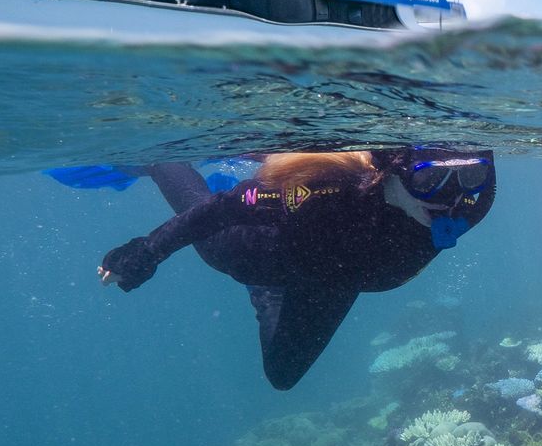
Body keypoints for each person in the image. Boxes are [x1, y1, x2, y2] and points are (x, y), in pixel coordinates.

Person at [98, 148, 496, 389]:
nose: (451, 196)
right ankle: (161, 161)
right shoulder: (327, 190)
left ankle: (269, 297)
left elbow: (466, 187)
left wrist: (458, 182)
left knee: (282, 376)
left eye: (471, 175)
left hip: (334, 280)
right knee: (199, 208)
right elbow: (218, 210)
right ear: (393, 169)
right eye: (430, 179)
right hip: (253, 253)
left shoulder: (472, 202)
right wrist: (146, 253)